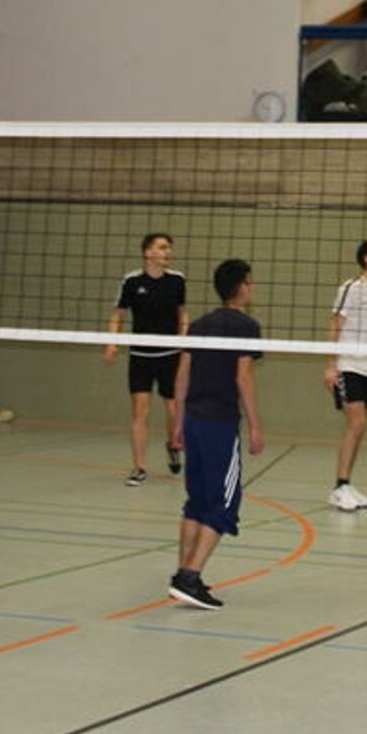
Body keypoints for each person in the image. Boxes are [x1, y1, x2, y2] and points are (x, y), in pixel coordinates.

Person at [167, 259, 264, 611]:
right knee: (224, 505)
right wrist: (255, 425)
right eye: (250, 282)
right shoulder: (247, 326)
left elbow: (182, 376)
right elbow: (243, 378)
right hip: (220, 424)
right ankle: (190, 577)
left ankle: (182, 575)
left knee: (197, 502)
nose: (252, 288)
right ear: (240, 287)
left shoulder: (199, 324)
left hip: (192, 420)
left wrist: (177, 423)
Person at [104, 233, 189, 485]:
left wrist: (185, 341)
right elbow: (117, 315)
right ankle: (139, 467)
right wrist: (112, 342)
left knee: (174, 409)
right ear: (148, 252)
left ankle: (173, 446)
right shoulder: (131, 281)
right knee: (140, 411)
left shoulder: (177, 280)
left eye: (169, 249)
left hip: (170, 356)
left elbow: (183, 314)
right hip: (140, 356)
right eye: (162, 248)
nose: (167, 252)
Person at [324, 238, 367, 511]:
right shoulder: (352, 288)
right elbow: (334, 324)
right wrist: (331, 365)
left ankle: (347, 484)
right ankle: (339, 487)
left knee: (361, 426)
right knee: (356, 422)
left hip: (365, 368)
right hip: (347, 365)